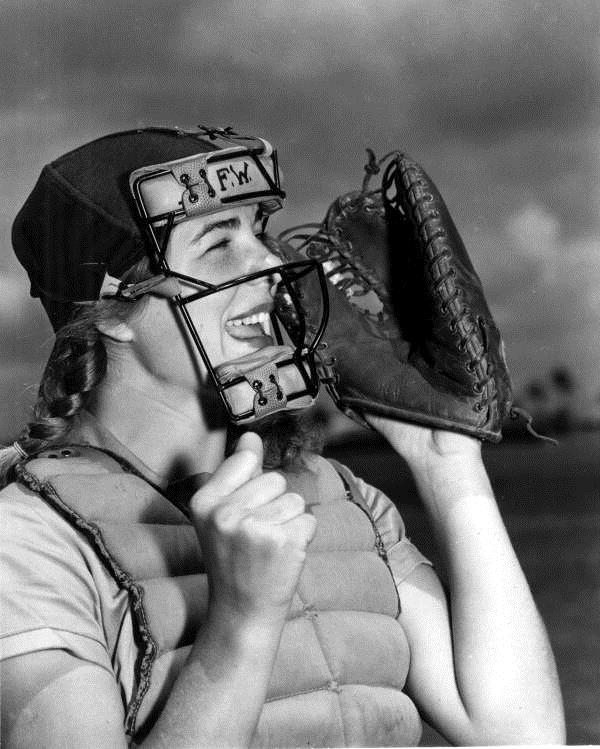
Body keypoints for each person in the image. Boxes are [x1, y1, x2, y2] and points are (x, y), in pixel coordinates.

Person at [0, 125, 565, 748]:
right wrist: (241, 623)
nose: (269, 263)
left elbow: (522, 737)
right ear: (112, 314)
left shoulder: (338, 499)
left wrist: (445, 461)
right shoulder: (27, 542)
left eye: (260, 231)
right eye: (219, 243)